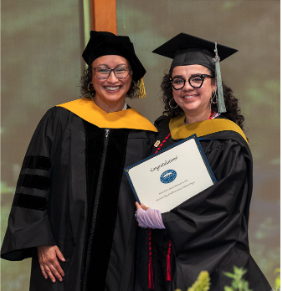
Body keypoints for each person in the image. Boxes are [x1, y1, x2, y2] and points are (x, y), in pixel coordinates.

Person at [1, 31, 157, 291]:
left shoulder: (146, 133)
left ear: (132, 76)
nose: (111, 79)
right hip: (60, 253)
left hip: (120, 257)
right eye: (102, 70)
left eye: (120, 70)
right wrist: (42, 241)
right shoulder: (60, 120)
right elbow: (33, 187)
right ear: (90, 77)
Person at [134, 33, 271, 291]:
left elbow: (224, 208)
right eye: (178, 80)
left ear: (214, 84)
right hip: (158, 258)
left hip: (209, 263)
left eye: (197, 78)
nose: (187, 87)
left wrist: (168, 219)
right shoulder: (162, 131)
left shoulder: (227, 141)